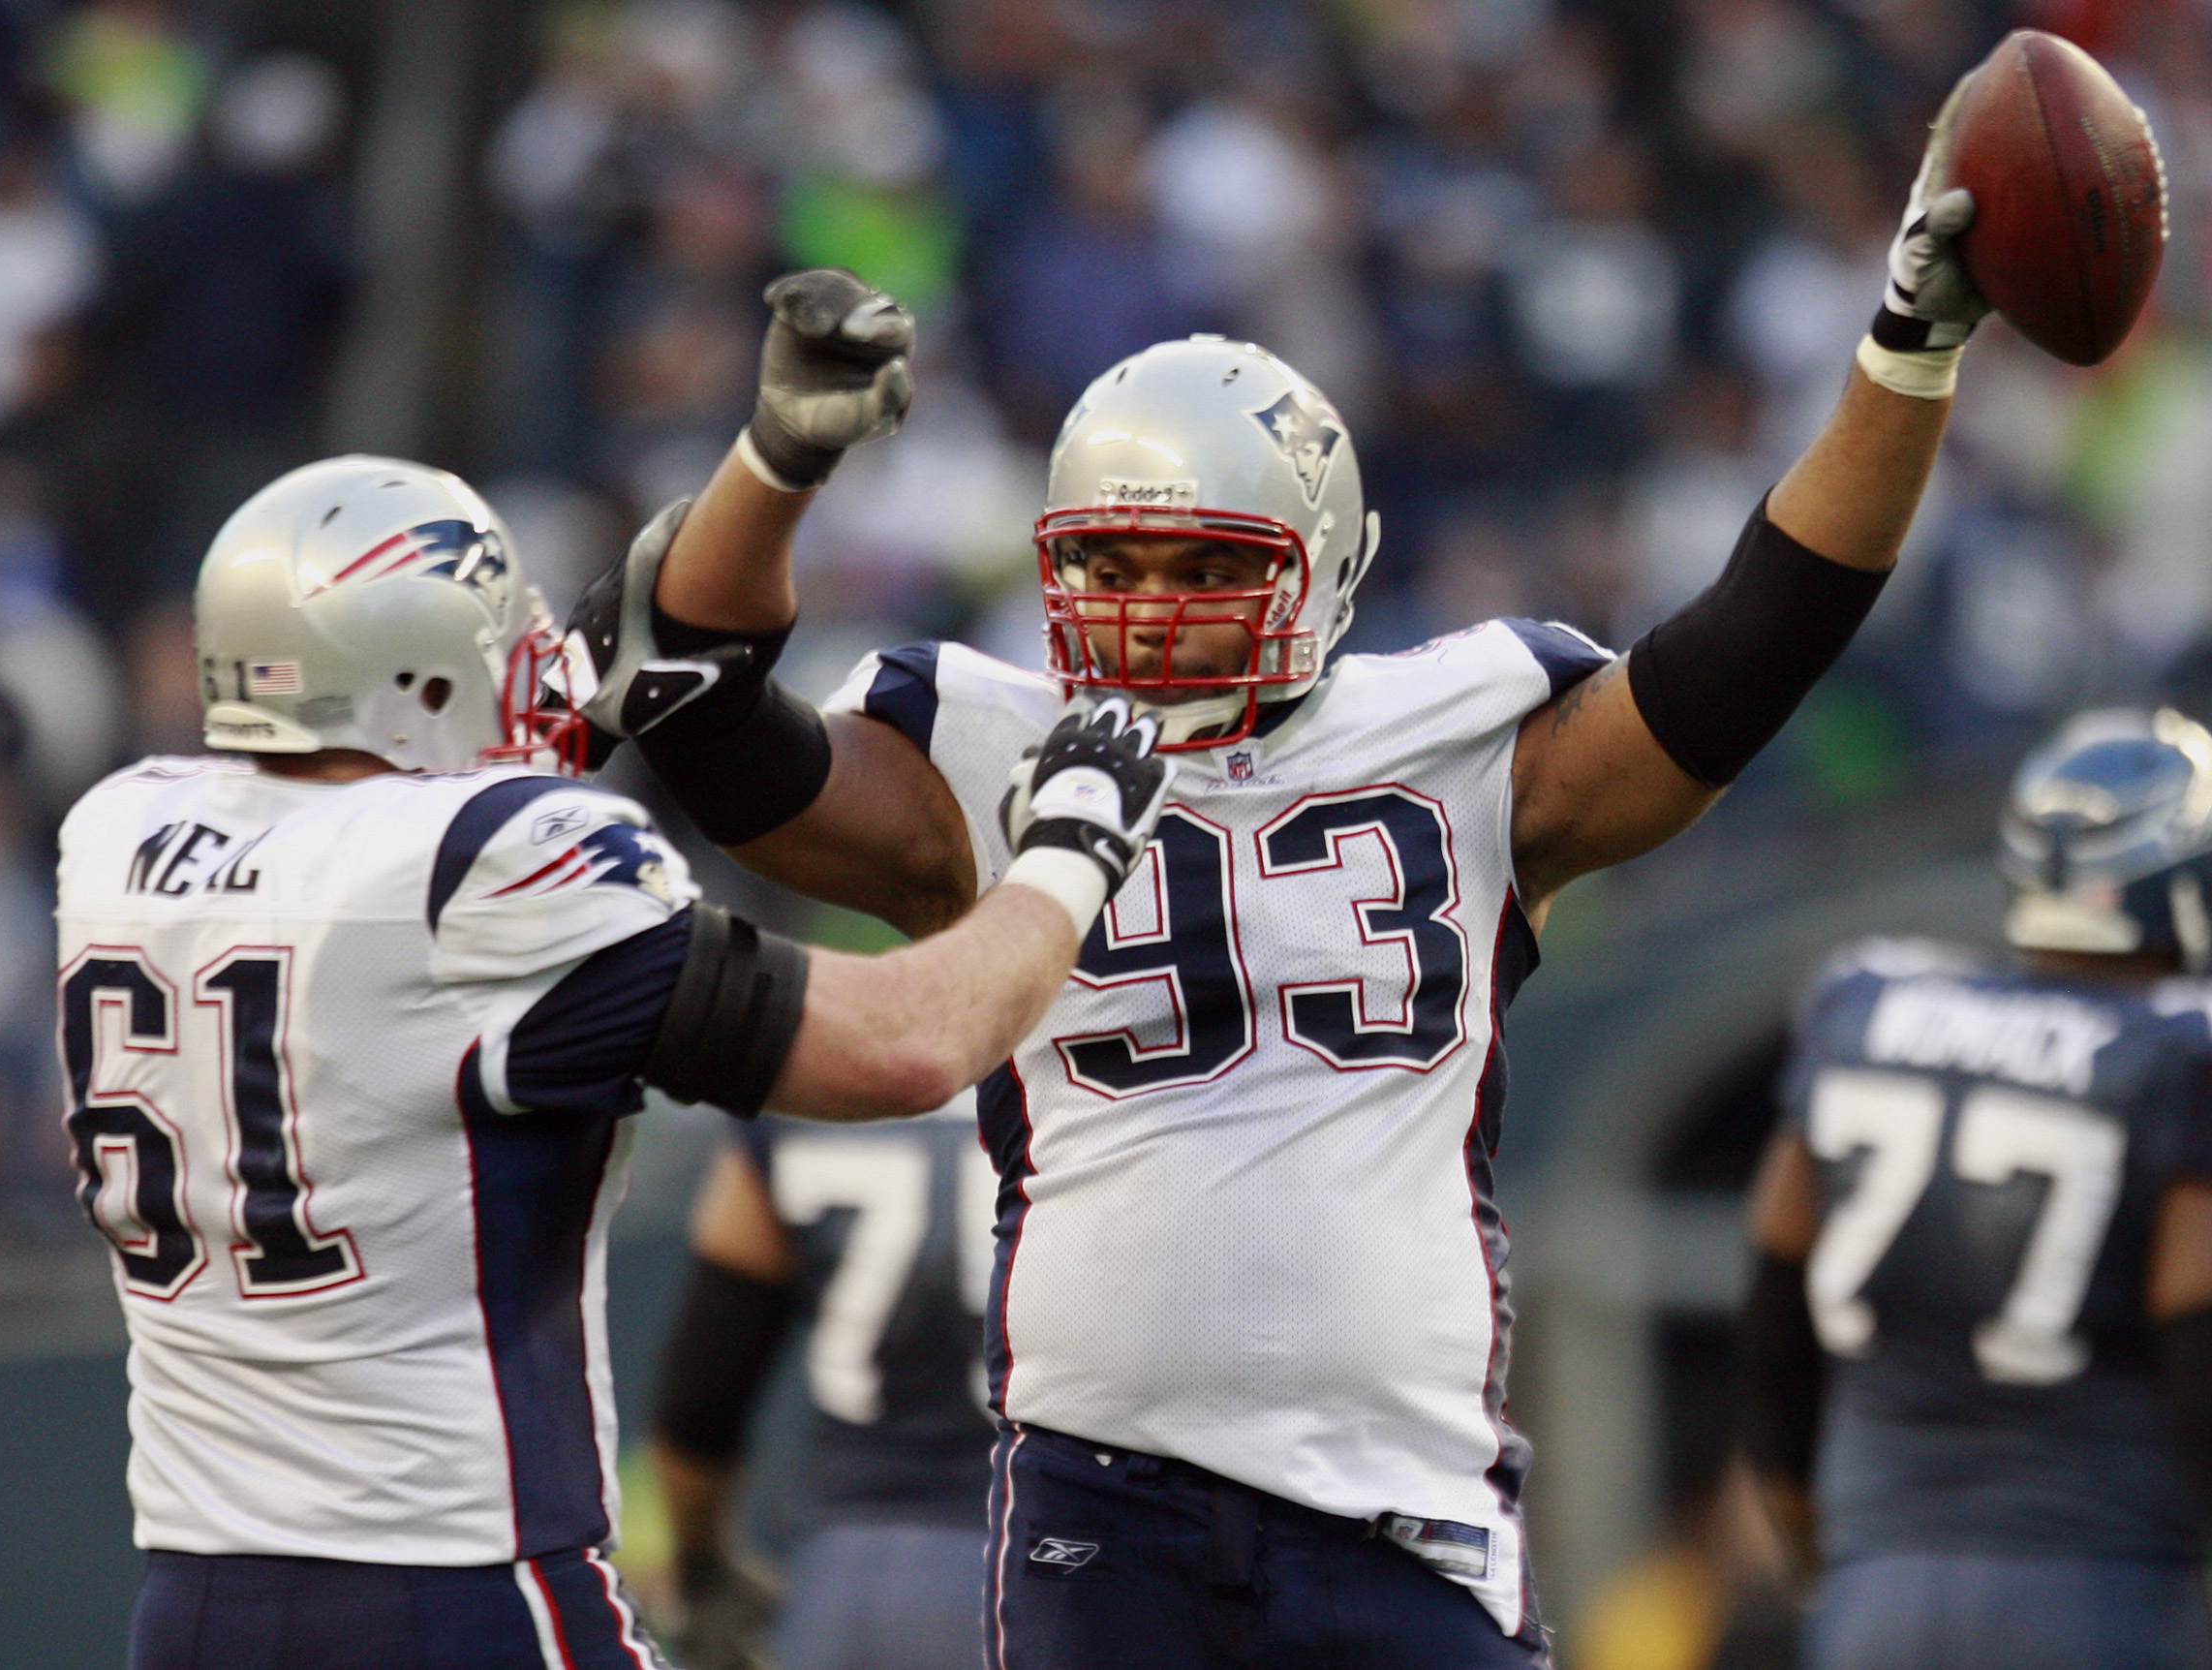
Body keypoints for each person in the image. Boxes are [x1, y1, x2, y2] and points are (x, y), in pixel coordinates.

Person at [569, 71, 2024, 1669]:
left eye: (1206, 566)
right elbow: (698, 703)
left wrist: (1904, 350)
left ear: (1324, 567)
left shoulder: (1465, 727)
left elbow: (1760, 632)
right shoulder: (978, 743)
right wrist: (777, 458)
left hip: (1396, 1492)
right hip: (1094, 1485)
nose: (1150, 608)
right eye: (1108, 566)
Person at [55, 453, 1172, 1670]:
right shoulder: (493, 864)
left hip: (190, 1600)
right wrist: (1071, 847)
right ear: (420, 677)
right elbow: (909, 1043)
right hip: (456, 1589)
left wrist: (765, 468)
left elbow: (371, 861)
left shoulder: (121, 831)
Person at [1737, 707, 2212, 1670]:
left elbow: (1775, 1320)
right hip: (2105, 1588)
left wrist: (1821, 1550)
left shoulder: (1863, 1005)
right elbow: (2197, 1345)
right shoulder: (2176, 1055)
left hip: (1874, 1592)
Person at [649, 1095, 995, 1670]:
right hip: (1069, 1561)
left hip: (858, 1580)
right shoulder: (1118, 1091)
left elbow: (699, 1404)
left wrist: (702, 1565)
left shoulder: (813, 1092)